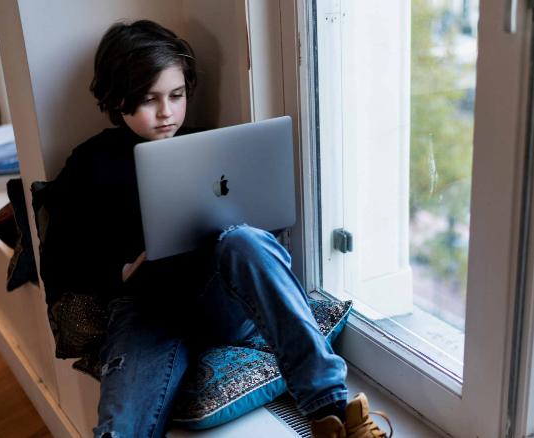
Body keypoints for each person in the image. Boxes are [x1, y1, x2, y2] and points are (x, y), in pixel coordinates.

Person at [43, 19, 392, 438]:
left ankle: (333, 410)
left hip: (218, 300)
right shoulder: (89, 163)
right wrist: (120, 272)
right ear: (117, 98)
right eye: (148, 100)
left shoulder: (212, 148)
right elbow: (60, 266)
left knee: (244, 240)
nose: (166, 112)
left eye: (176, 95)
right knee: (121, 428)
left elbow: (260, 241)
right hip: (145, 312)